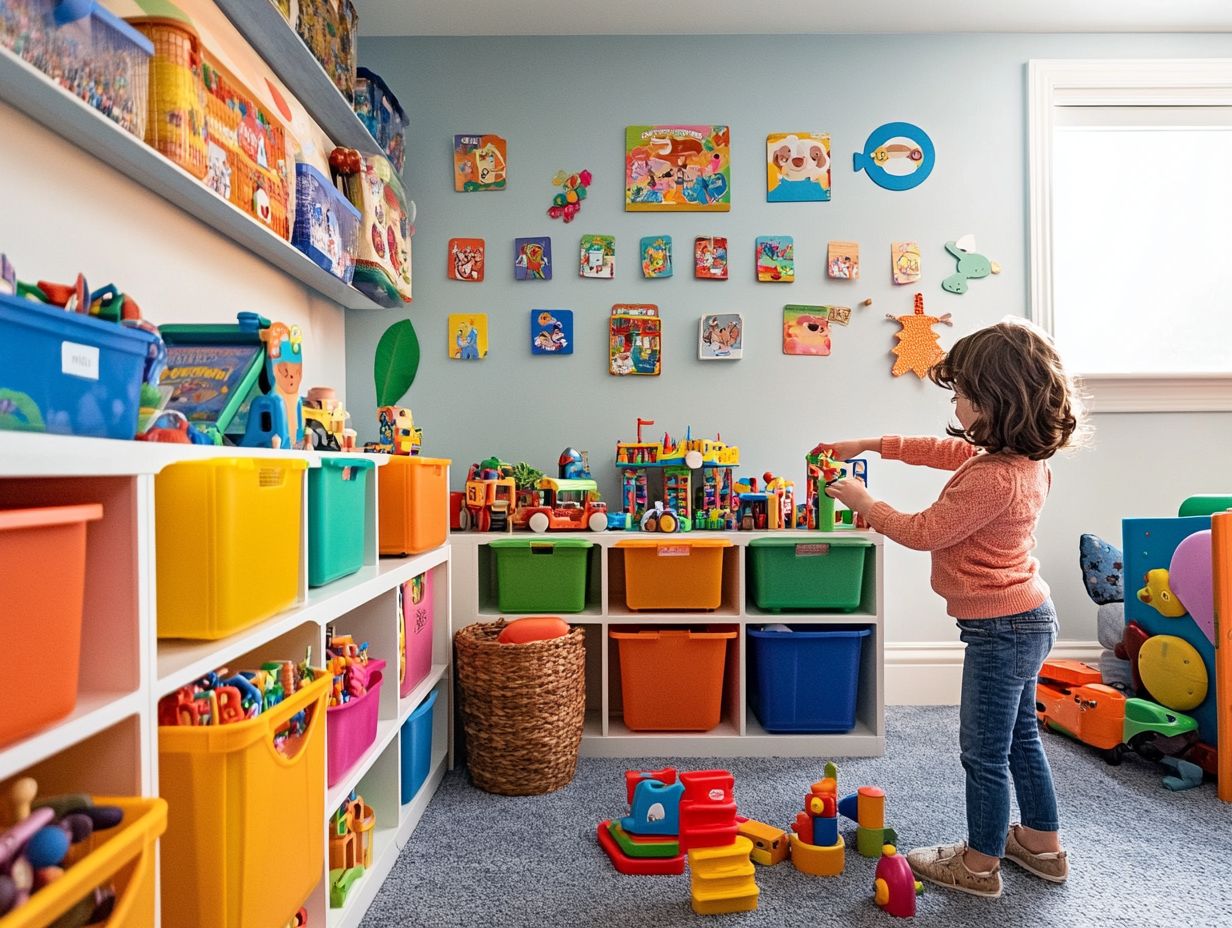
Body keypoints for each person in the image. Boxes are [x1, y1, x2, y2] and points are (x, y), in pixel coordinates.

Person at [821, 318, 1083, 899]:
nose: (956, 403)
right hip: (1025, 618)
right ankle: (1041, 845)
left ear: (997, 400)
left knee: (983, 752)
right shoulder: (1017, 459)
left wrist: (867, 501)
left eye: (962, 394)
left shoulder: (995, 479)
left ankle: (979, 863)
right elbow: (946, 451)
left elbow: (923, 531)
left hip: (1001, 629)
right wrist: (872, 444)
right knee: (1018, 740)